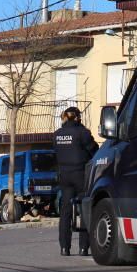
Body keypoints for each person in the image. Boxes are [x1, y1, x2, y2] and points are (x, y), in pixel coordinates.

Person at [54, 106, 97, 256]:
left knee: (65, 212)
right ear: (78, 117)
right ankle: (84, 247)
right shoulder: (82, 133)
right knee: (85, 209)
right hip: (81, 175)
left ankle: (64, 248)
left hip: (64, 176)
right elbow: (94, 151)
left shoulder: (57, 135)